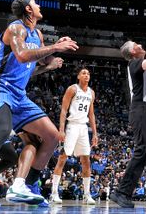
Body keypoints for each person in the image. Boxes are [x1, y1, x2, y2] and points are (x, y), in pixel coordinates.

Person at [0, 0, 78, 207]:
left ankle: (27, 185)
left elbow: (43, 59)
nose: (40, 5)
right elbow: (23, 55)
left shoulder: (37, 33)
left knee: (51, 136)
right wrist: (54, 48)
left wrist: (58, 46)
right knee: (3, 131)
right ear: (28, 10)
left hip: (19, 94)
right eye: (36, 3)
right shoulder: (16, 28)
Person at [109, 42, 146, 208]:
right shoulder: (134, 63)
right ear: (133, 52)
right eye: (136, 44)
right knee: (142, 149)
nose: (140, 44)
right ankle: (122, 192)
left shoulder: (142, 67)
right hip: (140, 108)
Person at [50, 67, 99, 205]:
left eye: (88, 73)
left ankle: (87, 194)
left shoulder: (91, 93)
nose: (86, 75)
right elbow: (64, 109)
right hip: (72, 126)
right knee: (62, 158)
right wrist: (61, 129)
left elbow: (91, 114)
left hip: (84, 127)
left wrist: (95, 133)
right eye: (84, 73)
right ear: (78, 76)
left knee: (86, 161)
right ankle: (54, 193)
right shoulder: (72, 89)